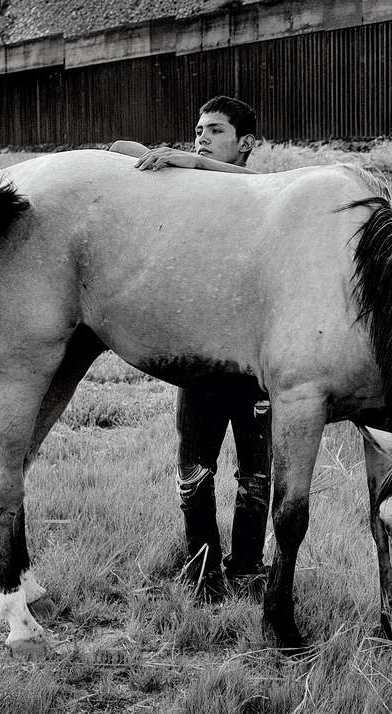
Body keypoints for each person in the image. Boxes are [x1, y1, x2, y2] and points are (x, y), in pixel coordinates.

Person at [110, 96, 271, 600]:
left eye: (216, 130)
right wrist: (158, 156)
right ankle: (202, 571)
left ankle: (247, 569)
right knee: (194, 470)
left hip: (254, 364)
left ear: (246, 143)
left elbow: (245, 180)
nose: (202, 137)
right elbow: (120, 148)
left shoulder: (262, 190)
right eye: (199, 129)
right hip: (199, 357)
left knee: (257, 474)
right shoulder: (189, 183)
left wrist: (191, 161)